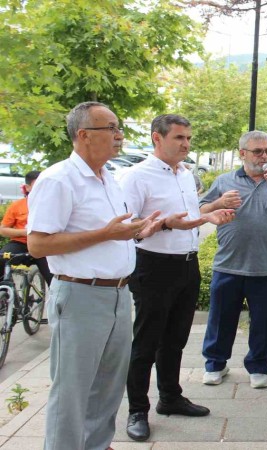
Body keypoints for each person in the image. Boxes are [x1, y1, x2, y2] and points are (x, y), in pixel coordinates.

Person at [27, 102, 161, 450]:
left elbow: (113, 235)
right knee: (72, 390)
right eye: (111, 128)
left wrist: (138, 231)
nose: (119, 136)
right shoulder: (59, 179)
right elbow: (38, 244)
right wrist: (106, 234)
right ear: (84, 135)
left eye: (119, 129)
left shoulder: (109, 178)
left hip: (118, 294)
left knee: (108, 385)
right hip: (80, 296)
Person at [119, 114, 235, 441]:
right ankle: (137, 410)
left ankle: (170, 397)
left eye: (188, 138)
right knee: (146, 341)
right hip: (153, 265)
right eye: (179, 138)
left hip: (187, 264)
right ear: (157, 138)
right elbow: (125, 228)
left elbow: (190, 216)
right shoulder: (135, 176)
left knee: (175, 339)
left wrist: (209, 214)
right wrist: (165, 224)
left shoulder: (185, 174)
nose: (186, 144)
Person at [200, 130, 267, 389]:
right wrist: (219, 203)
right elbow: (200, 210)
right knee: (221, 320)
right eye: (258, 151)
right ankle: (215, 365)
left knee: (264, 323)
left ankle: (258, 367)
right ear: (242, 154)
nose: (264, 156)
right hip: (228, 264)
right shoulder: (225, 181)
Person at [0, 170, 52, 284]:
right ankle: (5, 289)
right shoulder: (17, 205)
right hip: (20, 243)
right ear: (27, 188)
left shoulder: (53, 204)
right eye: (37, 185)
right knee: (2, 258)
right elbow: (3, 230)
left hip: (43, 244)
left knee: (53, 276)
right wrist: (25, 232)